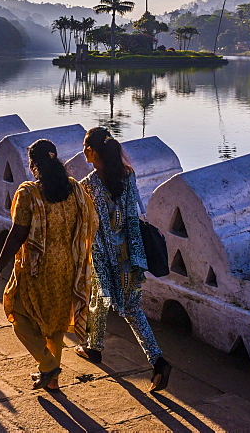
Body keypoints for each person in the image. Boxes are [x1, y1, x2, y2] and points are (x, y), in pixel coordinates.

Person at [0, 139, 98, 391]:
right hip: (67, 265)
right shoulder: (73, 188)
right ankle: (52, 380)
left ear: (33, 164)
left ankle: (48, 366)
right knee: (55, 323)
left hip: (38, 268)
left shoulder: (29, 193)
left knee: (18, 314)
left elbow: (17, 234)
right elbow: (91, 222)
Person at [76, 127, 172, 391]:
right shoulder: (128, 176)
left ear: (94, 151)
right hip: (131, 255)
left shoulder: (88, 185)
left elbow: (86, 223)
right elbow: (132, 216)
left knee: (108, 300)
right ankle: (99, 347)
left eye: (86, 146)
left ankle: (151, 359)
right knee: (121, 305)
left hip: (103, 257)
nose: (84, 151)